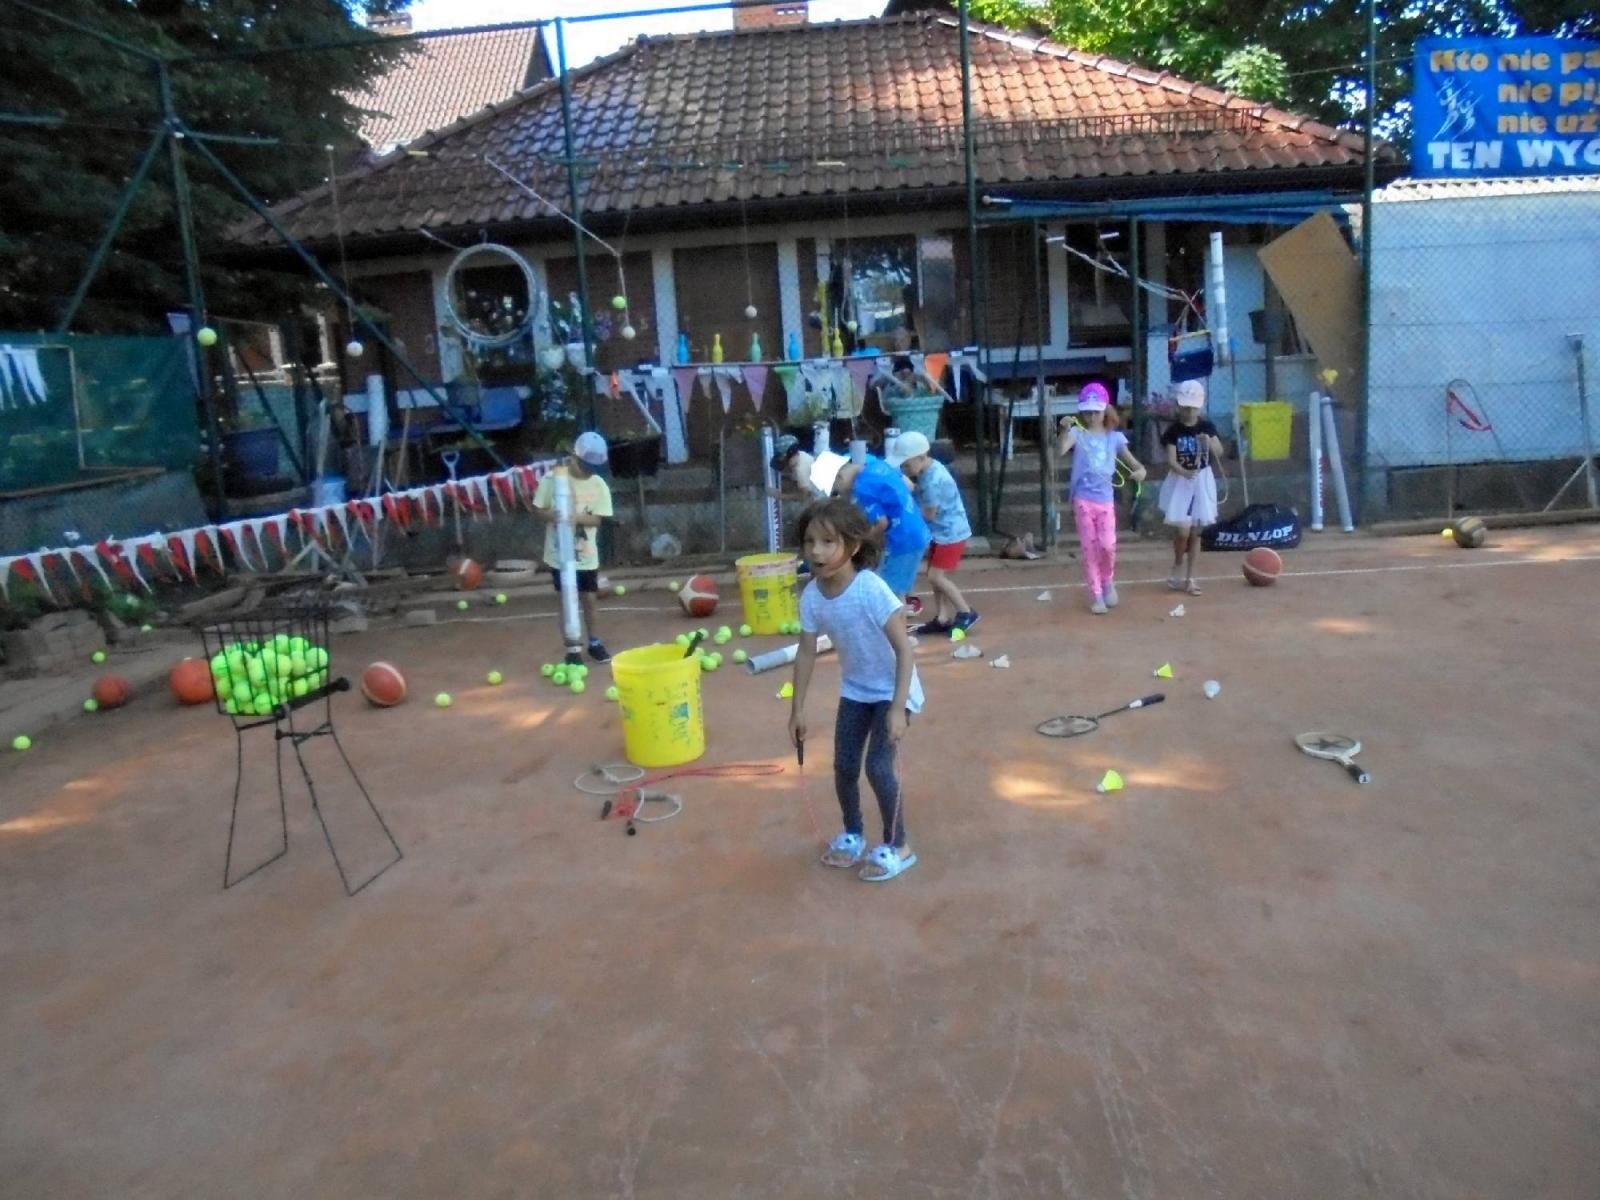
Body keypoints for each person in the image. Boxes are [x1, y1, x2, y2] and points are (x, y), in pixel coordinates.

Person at [788, 498, 922, 882]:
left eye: (828, 542)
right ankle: (852, 834)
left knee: (878, 766)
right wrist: (797, 709)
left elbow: (903, 650)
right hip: (857, 690)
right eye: (810, 541)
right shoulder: (812, 596)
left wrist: (899, 707)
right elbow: (806, 651)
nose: (816, 551)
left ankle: (899, 845)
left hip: (894, 688)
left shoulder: (870, 589)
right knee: (844, 766)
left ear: (854, 546)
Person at [1055, 382, 1146, 614]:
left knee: (1108, 546)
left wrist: (1140, 472)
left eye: (1096, 411)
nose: (1091, 416)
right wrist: (1064, 430)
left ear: (1105, 410)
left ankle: (1108, 580)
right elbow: (1061, 450)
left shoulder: (1114, 438)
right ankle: (1096, 594)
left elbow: (1134, 463)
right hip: (1083, 499)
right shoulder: (1078, 433)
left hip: (1105, 500)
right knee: (1090, 547)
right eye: (1087, 412)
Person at [531, 431, 614, 662]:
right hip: (560, 555)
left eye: (594, 467)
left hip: (586, 556)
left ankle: (595, 643)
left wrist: (575, 518)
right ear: (575, 457)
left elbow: (597, 519)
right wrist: (554, 515)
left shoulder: (599, 485)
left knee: (589, 598)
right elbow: (538, 509)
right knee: (567, 598)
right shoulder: (552, 480)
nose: (590, 471)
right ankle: (572, 648)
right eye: (587, 465)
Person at [887, 430, 978, 633]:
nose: (905, 468)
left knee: (936, 576)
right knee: (933, 574)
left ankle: (965, 611)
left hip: (950, 533)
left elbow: (929, 513)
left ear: (921, 457)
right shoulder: (928, 471)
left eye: (907, 464)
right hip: (941, 532)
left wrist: (906, 509)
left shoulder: (932, 479)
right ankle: (943, 617)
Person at [830, 454, 930, 604]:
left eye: (836, 490)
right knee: (893, 589)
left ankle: (897, 625)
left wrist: (860, 540)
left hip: (902, 540)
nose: (841, 494)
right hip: (914, 530)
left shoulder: (862, 488)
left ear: (839, 477)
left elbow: (881, 523)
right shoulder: (874, 462)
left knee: (891, 593)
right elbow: (908, 485)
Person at [1158, 379, 1225, 596]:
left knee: (1196, 531)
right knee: (1182, 530)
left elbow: (1219, 452)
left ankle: (1190, 577)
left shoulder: (1207, 427)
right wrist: (1184, 472)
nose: (1189, 411)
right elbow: (1171, 459)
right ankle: (1178, 563)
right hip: (1181, 481)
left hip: (1202, 480)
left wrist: (1209, 443)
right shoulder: (1174, 431)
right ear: (1179, 405)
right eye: (1185, 406)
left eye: (1193, 407)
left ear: (1200, 406)